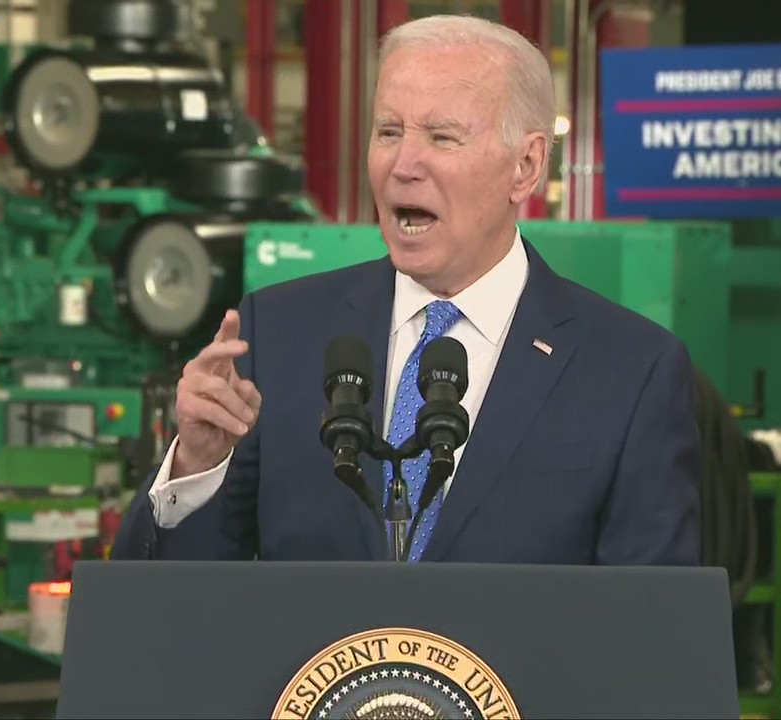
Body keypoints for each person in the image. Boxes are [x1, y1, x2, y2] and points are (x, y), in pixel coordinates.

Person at [111, 14, 701, 566]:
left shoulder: (632, 371)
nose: (404, 164)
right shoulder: (277, 335)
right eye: (389, 131)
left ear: (526, 165)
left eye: (442, 137)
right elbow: (171, 602)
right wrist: (196, 465)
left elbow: (653, 622)